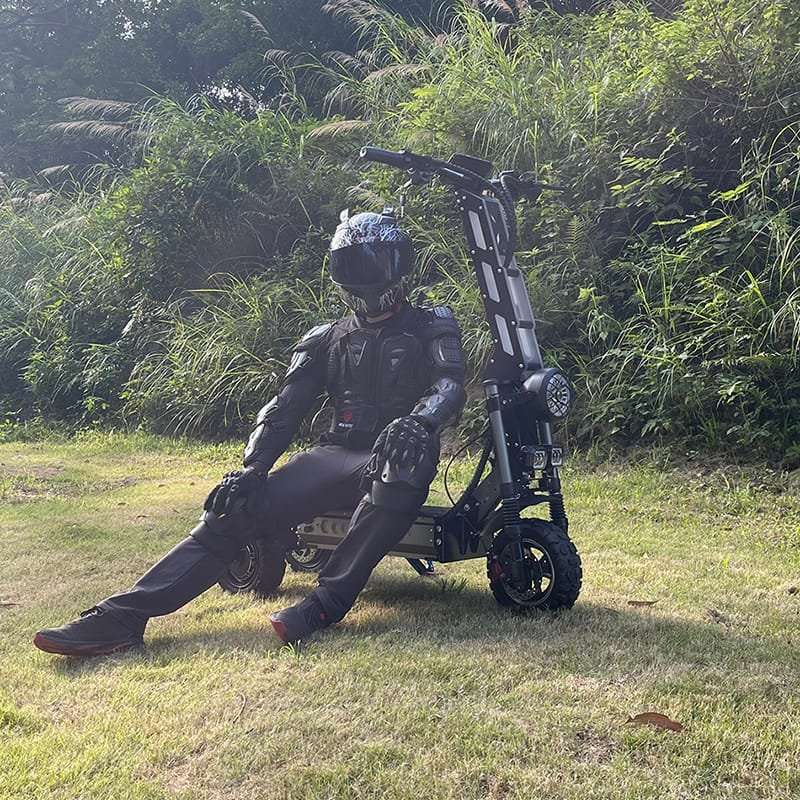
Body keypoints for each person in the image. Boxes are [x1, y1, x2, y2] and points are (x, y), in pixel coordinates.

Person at [34, 208, 467, 656]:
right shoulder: (325, 337)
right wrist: (252, 469)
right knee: (234, 504)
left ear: (399, 265)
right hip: (333, 453)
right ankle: (122, 617)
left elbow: (449, 384)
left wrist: (420, 421)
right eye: (351, 264)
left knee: (399, 469)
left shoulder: (432, 325)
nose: (363, 276)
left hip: (396, 453)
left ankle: (324, 604)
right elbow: (284, 409)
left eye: (373, 263)